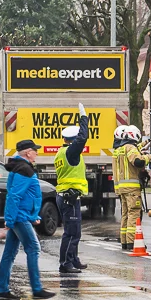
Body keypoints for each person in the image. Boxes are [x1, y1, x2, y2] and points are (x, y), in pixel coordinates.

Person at [0, 139, 55, 300]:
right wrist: (10, 221)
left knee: (9, 253)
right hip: (19, 217)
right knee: (33, 248)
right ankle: (36, 289)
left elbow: (22, 195)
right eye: (35, 150)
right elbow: (14, 196)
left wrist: (32, 216)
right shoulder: (24, 170)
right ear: (28, 153)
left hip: (21, 216)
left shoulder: (21, 168)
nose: (37, 153)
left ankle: (2, 290)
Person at [54, 104, 89, 274]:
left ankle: (73, 259)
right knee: (71, 232)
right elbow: (83, 138)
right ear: (73, 140)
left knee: (75, 231)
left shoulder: (62, 152)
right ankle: (65, 263)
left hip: (69, 196)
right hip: (69, 197)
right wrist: (84, 118)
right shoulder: (70, 153)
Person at [114, 125, 151, 250]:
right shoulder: (130, 148)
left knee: (125, 214)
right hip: (132, 188)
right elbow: (138, 161)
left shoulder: (121, 149)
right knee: (134, 213)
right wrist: (149, 157)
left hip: (123, 188)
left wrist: (148, 141)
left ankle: (125, 242)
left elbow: (137, 148)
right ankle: (132, 242)